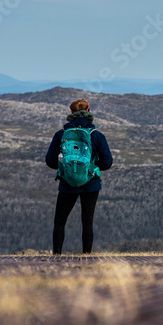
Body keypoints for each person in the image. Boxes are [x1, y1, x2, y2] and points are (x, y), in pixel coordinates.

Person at [44, 98, 113, 254]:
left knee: (60, 222)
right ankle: (87, 257)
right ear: (88, 111)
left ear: (71, 112)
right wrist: (91, 168)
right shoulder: (96, 135)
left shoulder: (61, 134)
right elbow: (107, 163)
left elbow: (50, 161)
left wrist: (66, 168)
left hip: (67, 183)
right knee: (87, 222)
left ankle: (57, 256)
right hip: (91, 184)